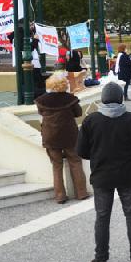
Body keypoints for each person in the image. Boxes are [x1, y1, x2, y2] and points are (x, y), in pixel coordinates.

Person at [77, 82, 131, 262]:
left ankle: (101, 260)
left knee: (102, 217)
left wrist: (98, 158)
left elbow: (82, 151)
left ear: (102, 99)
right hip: (127, 175)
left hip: (102, 176)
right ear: (120, 98)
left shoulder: (91, 121)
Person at [35, 73, 89, 204]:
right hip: (69, 135)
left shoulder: (41, 100)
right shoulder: (70, 99)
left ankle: (60, 196)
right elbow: (78, 113)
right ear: (64, 85)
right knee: (75, 162)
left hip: (50, 136)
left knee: (56, 166)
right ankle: (81, 193)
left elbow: (41, 113)